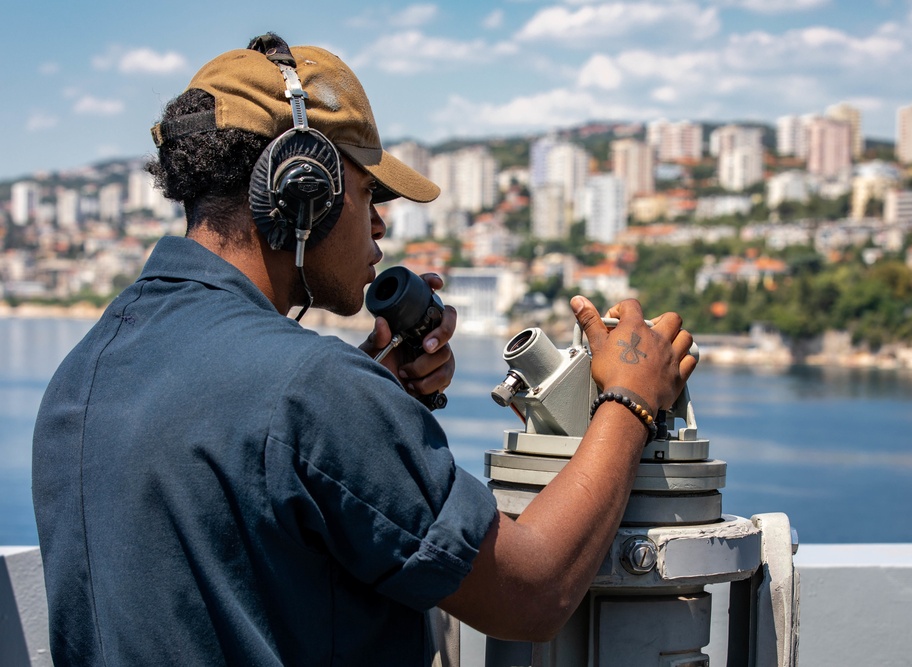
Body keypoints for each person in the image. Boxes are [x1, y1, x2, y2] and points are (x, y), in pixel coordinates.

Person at [32, 33, 696, 666]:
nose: (380, 221)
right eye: (368, 191)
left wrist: (377, 389)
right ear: (303, 188)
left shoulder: (80, 374)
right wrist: (629, 396)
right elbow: (533, 588)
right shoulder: (313, 392)